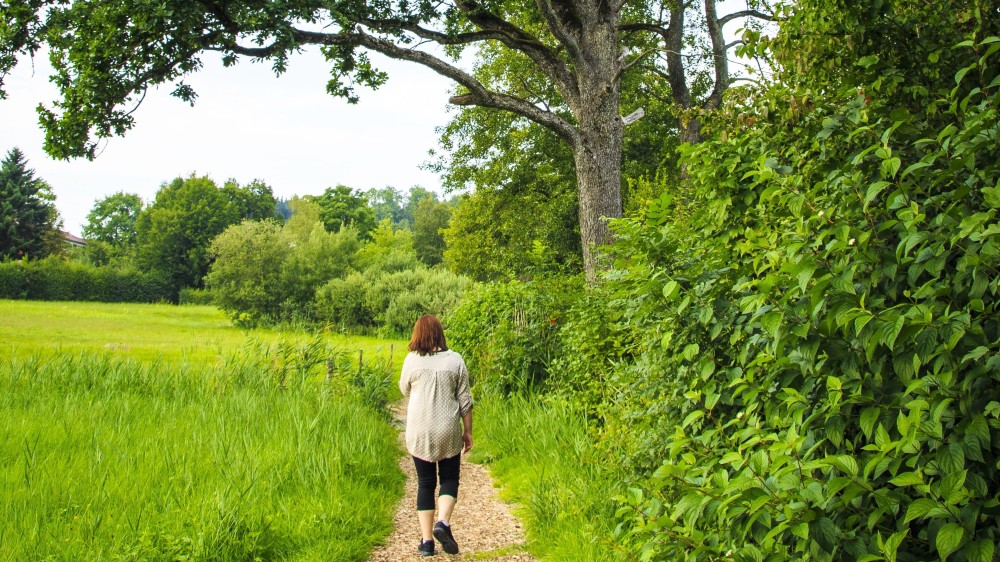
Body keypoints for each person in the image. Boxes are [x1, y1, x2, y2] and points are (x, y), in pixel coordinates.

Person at [399, 314, 474, 557]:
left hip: (419, 431)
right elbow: (465, 401)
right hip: (447, 430)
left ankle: (427, 541)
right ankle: (443, 522)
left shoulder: (412, 360)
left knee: (425, 483)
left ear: (417, 334)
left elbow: (403, 389)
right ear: (440, 333)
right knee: (449, 478)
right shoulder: (455, 360)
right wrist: (468, 432)